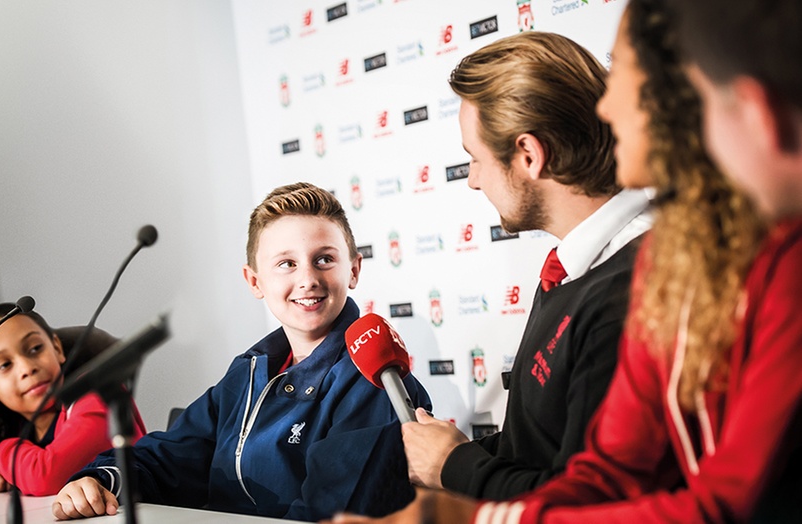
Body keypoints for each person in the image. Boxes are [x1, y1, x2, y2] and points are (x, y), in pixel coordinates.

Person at [326, 1, 799, 521]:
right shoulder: (661, 256)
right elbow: (607, 471)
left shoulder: (648, 278)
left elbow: (716, 502)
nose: (607, 108)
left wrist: (462, 494)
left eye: (623, 76)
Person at [52, 182, 432, 522]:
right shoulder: (250, 371)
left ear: (353, 270)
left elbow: (332, 511)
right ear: (255, 281)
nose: (308, 279)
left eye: (325, 259)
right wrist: (101, 478)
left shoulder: (373, 379)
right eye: (286, 263)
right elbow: (173, 456)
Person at [401, 31, 652, 501]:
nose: (473, 181)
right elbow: (541, 447)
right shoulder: (570, 268)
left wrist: (455, 465)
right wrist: (447, 454)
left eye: (474, 159)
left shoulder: (631, 294)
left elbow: (590, 506)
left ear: (529, 156)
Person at [0, 305, 147, 496]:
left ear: (57, 348)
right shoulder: (9, 425)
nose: (27, 368)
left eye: (36, 349)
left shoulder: (95, 391)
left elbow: (49, 475)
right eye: (5, 365)